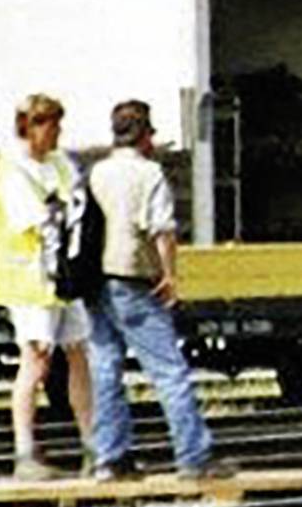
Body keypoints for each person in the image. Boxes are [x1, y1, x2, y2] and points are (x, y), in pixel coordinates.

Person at [83, 99, 228, 481]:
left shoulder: (97, 172)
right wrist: (170, 275)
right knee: (169, 371)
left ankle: (110, 459)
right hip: (134, 279)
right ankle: (194, 457)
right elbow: (162, 229)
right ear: (145, 135)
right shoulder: (150, 174)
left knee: (105, 370)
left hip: (96, 282)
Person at [0, 93, 96, 478]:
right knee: (36, 363)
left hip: (64, 279)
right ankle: (25, 453)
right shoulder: (13, 169)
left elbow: (78, 202)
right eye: (51, 126)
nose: (57, 134)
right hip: (30, 281)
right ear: (30, 127)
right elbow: (37, 218)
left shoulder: (60, 163)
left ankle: (92, 446)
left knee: (79, 355)